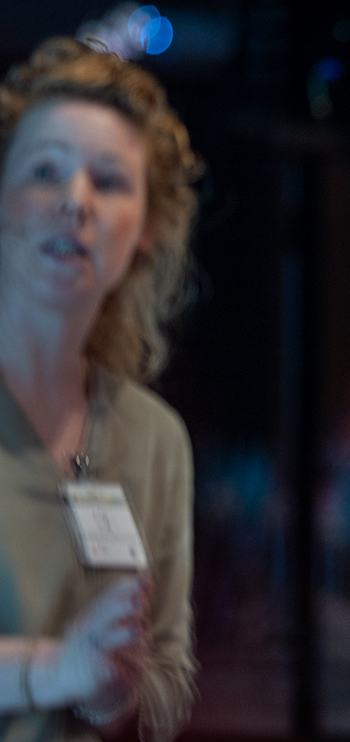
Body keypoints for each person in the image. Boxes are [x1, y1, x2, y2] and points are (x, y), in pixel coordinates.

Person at [0, 38, 200, 740]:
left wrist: (115, 690)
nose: (75, 202)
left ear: (146, 229)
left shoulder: (155, 438)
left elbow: (171, 677)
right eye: (44, 172)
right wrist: (53, 669)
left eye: (109, 181)